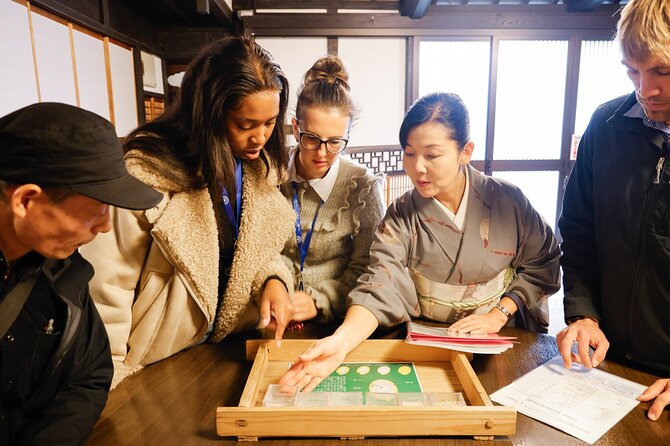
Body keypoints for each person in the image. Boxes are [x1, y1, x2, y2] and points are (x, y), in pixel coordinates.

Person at [281, 92, 560, 392]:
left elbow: (543, 261)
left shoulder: (509, 202)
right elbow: (379, 285)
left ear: (465, 151)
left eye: (432, 155)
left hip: (500, 341)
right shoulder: (401, 215)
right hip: (429, 347)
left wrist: (498, 314)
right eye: (410, 153)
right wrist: (341, 341)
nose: (417, 167)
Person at [80, 36, 296, 388]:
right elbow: (107, 286)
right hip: (157, 359)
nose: (260, 137)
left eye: (270, 123)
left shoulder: (259, 169)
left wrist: (272, 281)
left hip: (228, 347)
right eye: (245, 124)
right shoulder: (148, 171)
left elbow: (256, 251)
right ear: (209, 113)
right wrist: (106, 375)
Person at [0, 102, 162, 445]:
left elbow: (89, 375)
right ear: (26, 200)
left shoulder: (62, 271)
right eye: (97, 209)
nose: (105, 227)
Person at [556, 0, 670, 421]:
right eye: (632, 70)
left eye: (662, 71)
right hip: (606, 362)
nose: (645, 88)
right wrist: (583, 314)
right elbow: (580, 233)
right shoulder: (606, 125)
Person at [281, 55, 385, 324]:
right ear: (296, 128)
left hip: (335, 322)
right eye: (312, 139)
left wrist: (319, 300)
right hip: (274, 313)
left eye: (336, 142)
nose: (323, 154)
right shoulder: (272, 174)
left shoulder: (363, 188)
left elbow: (368, 268)